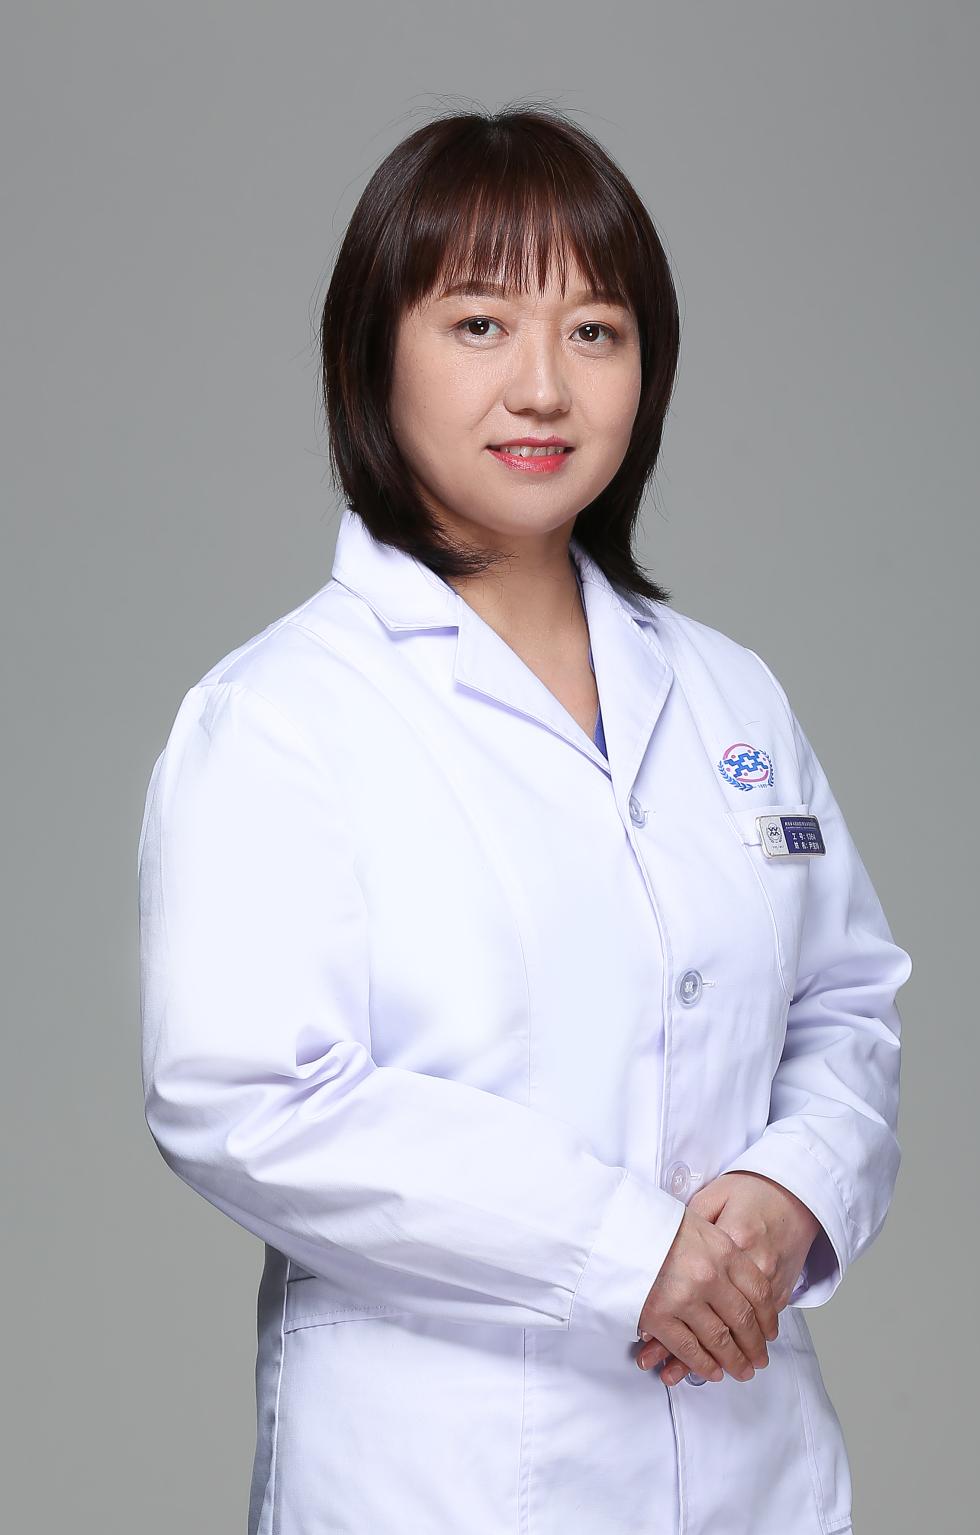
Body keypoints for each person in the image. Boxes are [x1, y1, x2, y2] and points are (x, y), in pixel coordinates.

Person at [137, 103, 912, 1535]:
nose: (544, 387)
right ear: (373, 354)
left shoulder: (728, 695)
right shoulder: (284, 714)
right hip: (440, 1480)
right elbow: (244, 1095)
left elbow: (845, 1002)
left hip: (749, 1464)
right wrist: (628, 1251)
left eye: (596, 331)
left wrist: (789, 1190)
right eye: (481, 324)